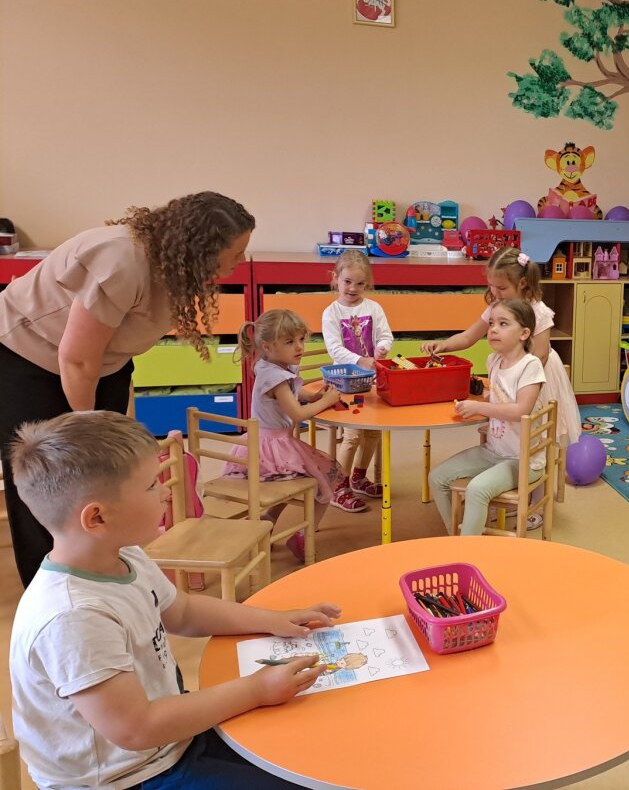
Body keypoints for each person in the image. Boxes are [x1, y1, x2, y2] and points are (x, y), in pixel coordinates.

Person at [7, 410, 340, 789]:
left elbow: (183, 611)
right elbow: (136, 729)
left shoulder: (123, 554)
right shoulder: (73, 617)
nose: (167, 491)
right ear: (97, 518)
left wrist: (272, 619)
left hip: (170, 738)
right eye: (152, 485)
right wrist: (256, 690)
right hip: (128, 776)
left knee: (308, 751)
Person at [0, 191, 255, 586]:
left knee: (109, 473)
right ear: (202, 247)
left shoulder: (175, 267)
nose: (241, 261)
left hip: (99, 363)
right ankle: (54, 586)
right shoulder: (120, 260)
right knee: (51, 476)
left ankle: (103, 568)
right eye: (235, 253)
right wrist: (90, 429)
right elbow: (76, 360)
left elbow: (110, 351)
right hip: (27, 357)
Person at [423, 246, 580, 528]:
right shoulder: (497, 315)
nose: (495, 292)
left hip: (534, 372)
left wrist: (516, 378)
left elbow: (539, 356)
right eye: (491, 286)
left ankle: (531, 505)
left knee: (538, 433)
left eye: (501, 287)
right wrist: (443, 346)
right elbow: (469, 336)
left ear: (522, 283)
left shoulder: (538, 311)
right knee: (508, 432)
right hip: (510, 365)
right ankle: (493, 504)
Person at [226, 308, 367, 562]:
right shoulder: (276, 376)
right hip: (274, 449)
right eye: (290, 342)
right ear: (267, 346)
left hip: (263, 445)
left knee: (295, 483)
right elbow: (298, 414)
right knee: (330, 476)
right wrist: (326, 401)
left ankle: (268, 521)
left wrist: (312, 396)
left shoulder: (267, 365)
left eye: (301, 339)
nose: (299, 347)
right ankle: (303, 536)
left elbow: (290, 394)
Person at [428, 299, 548, 535]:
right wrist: (474, 404)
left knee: (477, 490)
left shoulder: (530, 365)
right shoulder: (493, 361)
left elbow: (521, 410)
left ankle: (467, 551)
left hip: (523, 460)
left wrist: (480, 408)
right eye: (491, 323)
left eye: (503, 324)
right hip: (493, 451)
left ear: (524, 333)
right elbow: (495, 398)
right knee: (436, 477)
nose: (492, 329)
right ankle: (456, 538)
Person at [322, 249, 393, 500]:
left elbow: (385, 335)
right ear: (335, 278)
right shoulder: (331, 313)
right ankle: (338, 486)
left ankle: (358, 478)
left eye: (360, 284)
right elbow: (335, 349)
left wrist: (382, 347)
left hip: (370, 382)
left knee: (372, 432)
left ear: (367, 284)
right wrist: (360, 359)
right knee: (352, 435)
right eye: (347, 281)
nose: (353, 288)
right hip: (343, 384)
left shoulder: (373, 308)